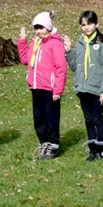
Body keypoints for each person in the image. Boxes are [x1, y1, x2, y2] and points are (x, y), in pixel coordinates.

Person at [18, 11, 68, 160]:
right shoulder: (36, 42)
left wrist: (57, 90)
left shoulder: (55, 43)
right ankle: (43, 142)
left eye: (41, 28)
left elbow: (61, 67)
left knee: (51, 117)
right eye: (36, 28)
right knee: (39, 117)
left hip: (50, 88)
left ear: (48, 27)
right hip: (36, 86)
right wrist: (22, 42)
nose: (38, 31)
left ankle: (52, 144)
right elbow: (26, 59)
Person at [66, 10, 103, 161]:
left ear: (96, 24)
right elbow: (75, 66)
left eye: (90, 24)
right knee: (88, 120)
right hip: (83, 88)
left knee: (97, 119)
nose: (86, 27)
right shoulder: (80, 43)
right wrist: (68, 52)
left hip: (97, 89)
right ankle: (92, 149)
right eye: (83, 25)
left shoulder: (101, 43)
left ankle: (101, 148)